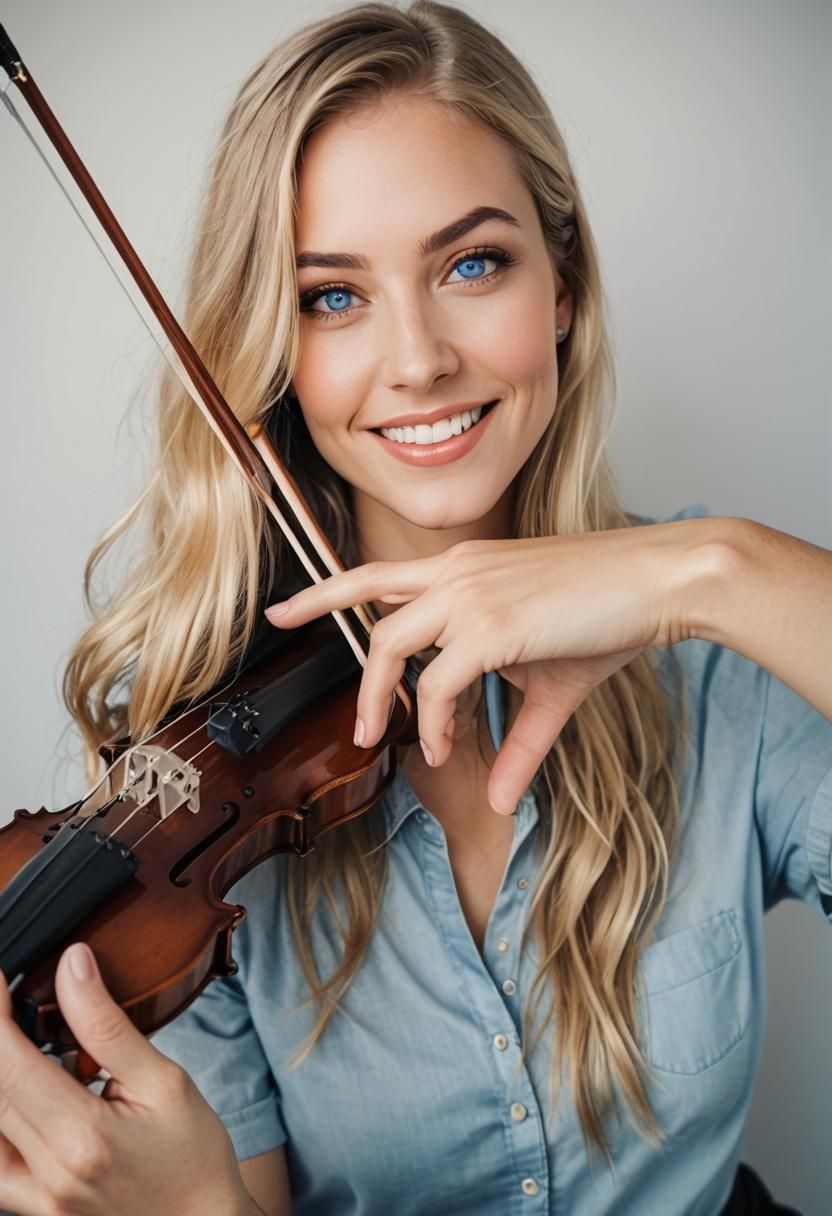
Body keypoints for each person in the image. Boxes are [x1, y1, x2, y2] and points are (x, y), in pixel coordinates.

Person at [0, 3, 828, 1214]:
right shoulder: (190, 818)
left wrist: (718, 573)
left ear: (562, 286)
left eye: (471, 263)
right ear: (273, 345)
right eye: (333, 296)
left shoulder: (717, 647)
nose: (419, 358)